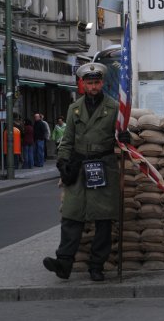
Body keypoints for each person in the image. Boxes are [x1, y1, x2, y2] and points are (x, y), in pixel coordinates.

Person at [43, 62, 130, 283]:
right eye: (89, 83)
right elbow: (67, 140)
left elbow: (122, 137)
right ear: (83, 84)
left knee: (103, 220)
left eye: (97, 82)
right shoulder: (75, 109)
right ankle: (63, 263)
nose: (93, 86)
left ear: (102, 83)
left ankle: (96, 266)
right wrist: (63, 163)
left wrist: (127, 139)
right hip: (79, 167)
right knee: (72, 215)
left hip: (103, 165)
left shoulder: (114, 107)